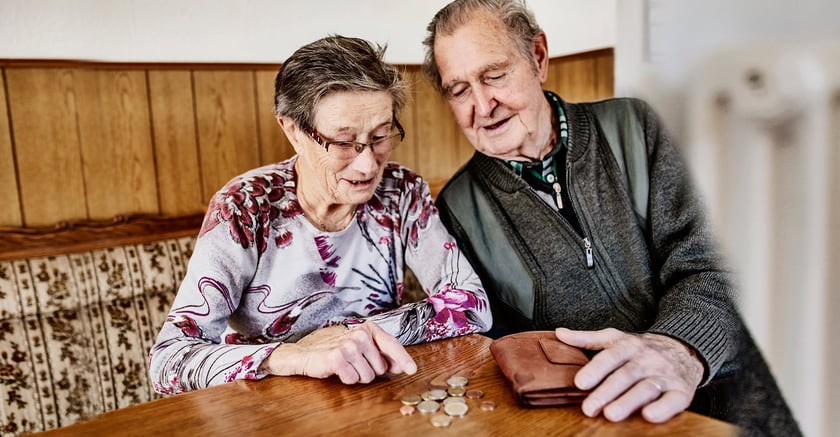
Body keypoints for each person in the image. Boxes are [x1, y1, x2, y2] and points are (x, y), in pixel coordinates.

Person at [422, 1, 800, 435]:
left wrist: (679, 348)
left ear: (538, 57)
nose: (483, 106)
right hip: (605, 414)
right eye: (459, 90)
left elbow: (719, 260)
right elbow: (500, 348)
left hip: (733, 383)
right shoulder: (458, 210)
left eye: (494, 76)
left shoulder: (641, 126)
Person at [149, 35, 492, 394]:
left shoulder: (400, 192)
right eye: (343, 142)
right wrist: (297, 355)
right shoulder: (245, 207)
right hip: (269, 409)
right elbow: (169, 361)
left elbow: (472, 304)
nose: (366, 164)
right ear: (293, 131)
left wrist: (352, 336)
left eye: (380, 136)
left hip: (374, 398)